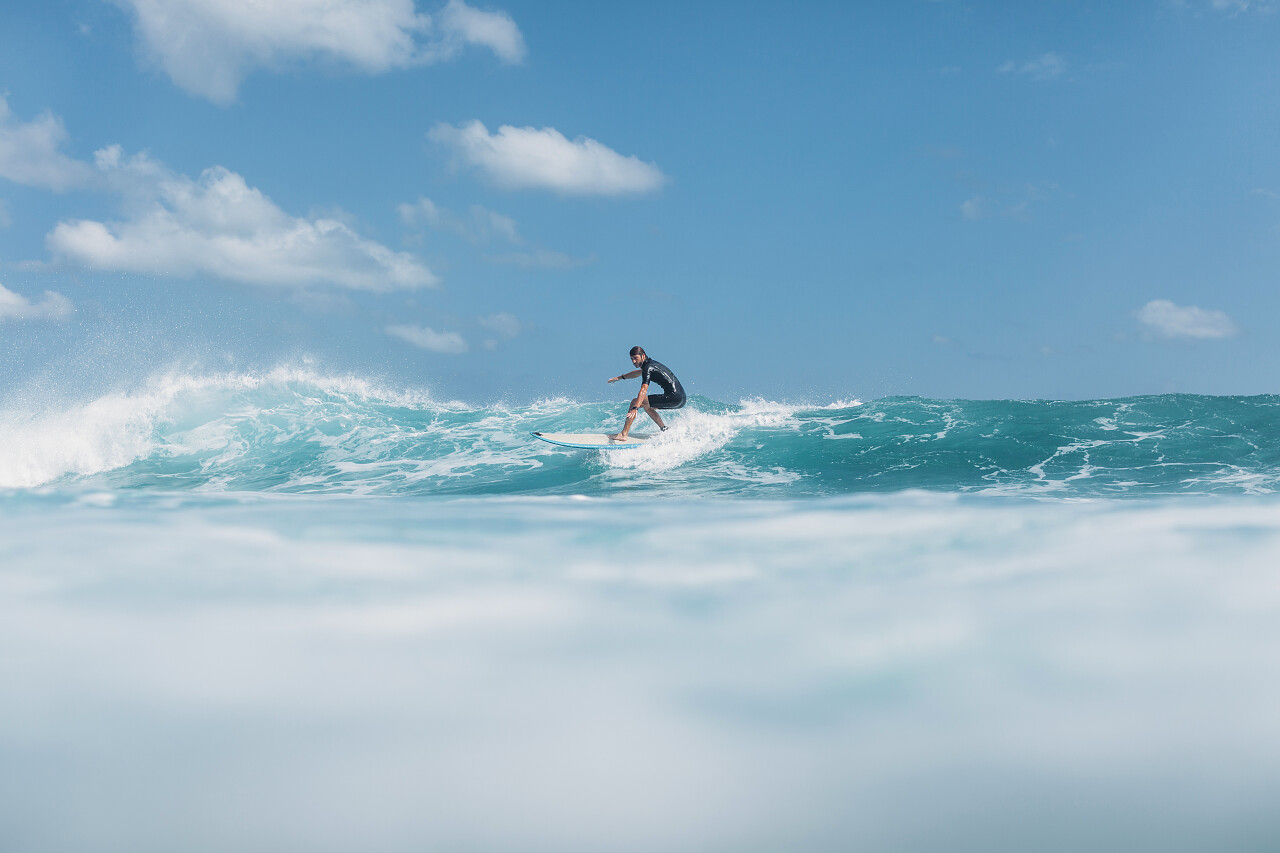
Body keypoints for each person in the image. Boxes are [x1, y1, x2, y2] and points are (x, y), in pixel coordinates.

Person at [607, 346, 685, 440]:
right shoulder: (650, 365)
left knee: (635, 401)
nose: (633, 361)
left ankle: (623, 434)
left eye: (635, 358)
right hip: (681, 398)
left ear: (643, 356)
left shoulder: (648, 367)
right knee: (647, 406)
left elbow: (644, 389)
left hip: (674, 397)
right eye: (631, 359)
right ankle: (664, 429)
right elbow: (636, 373)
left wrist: (635, 407)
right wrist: (619, 378)